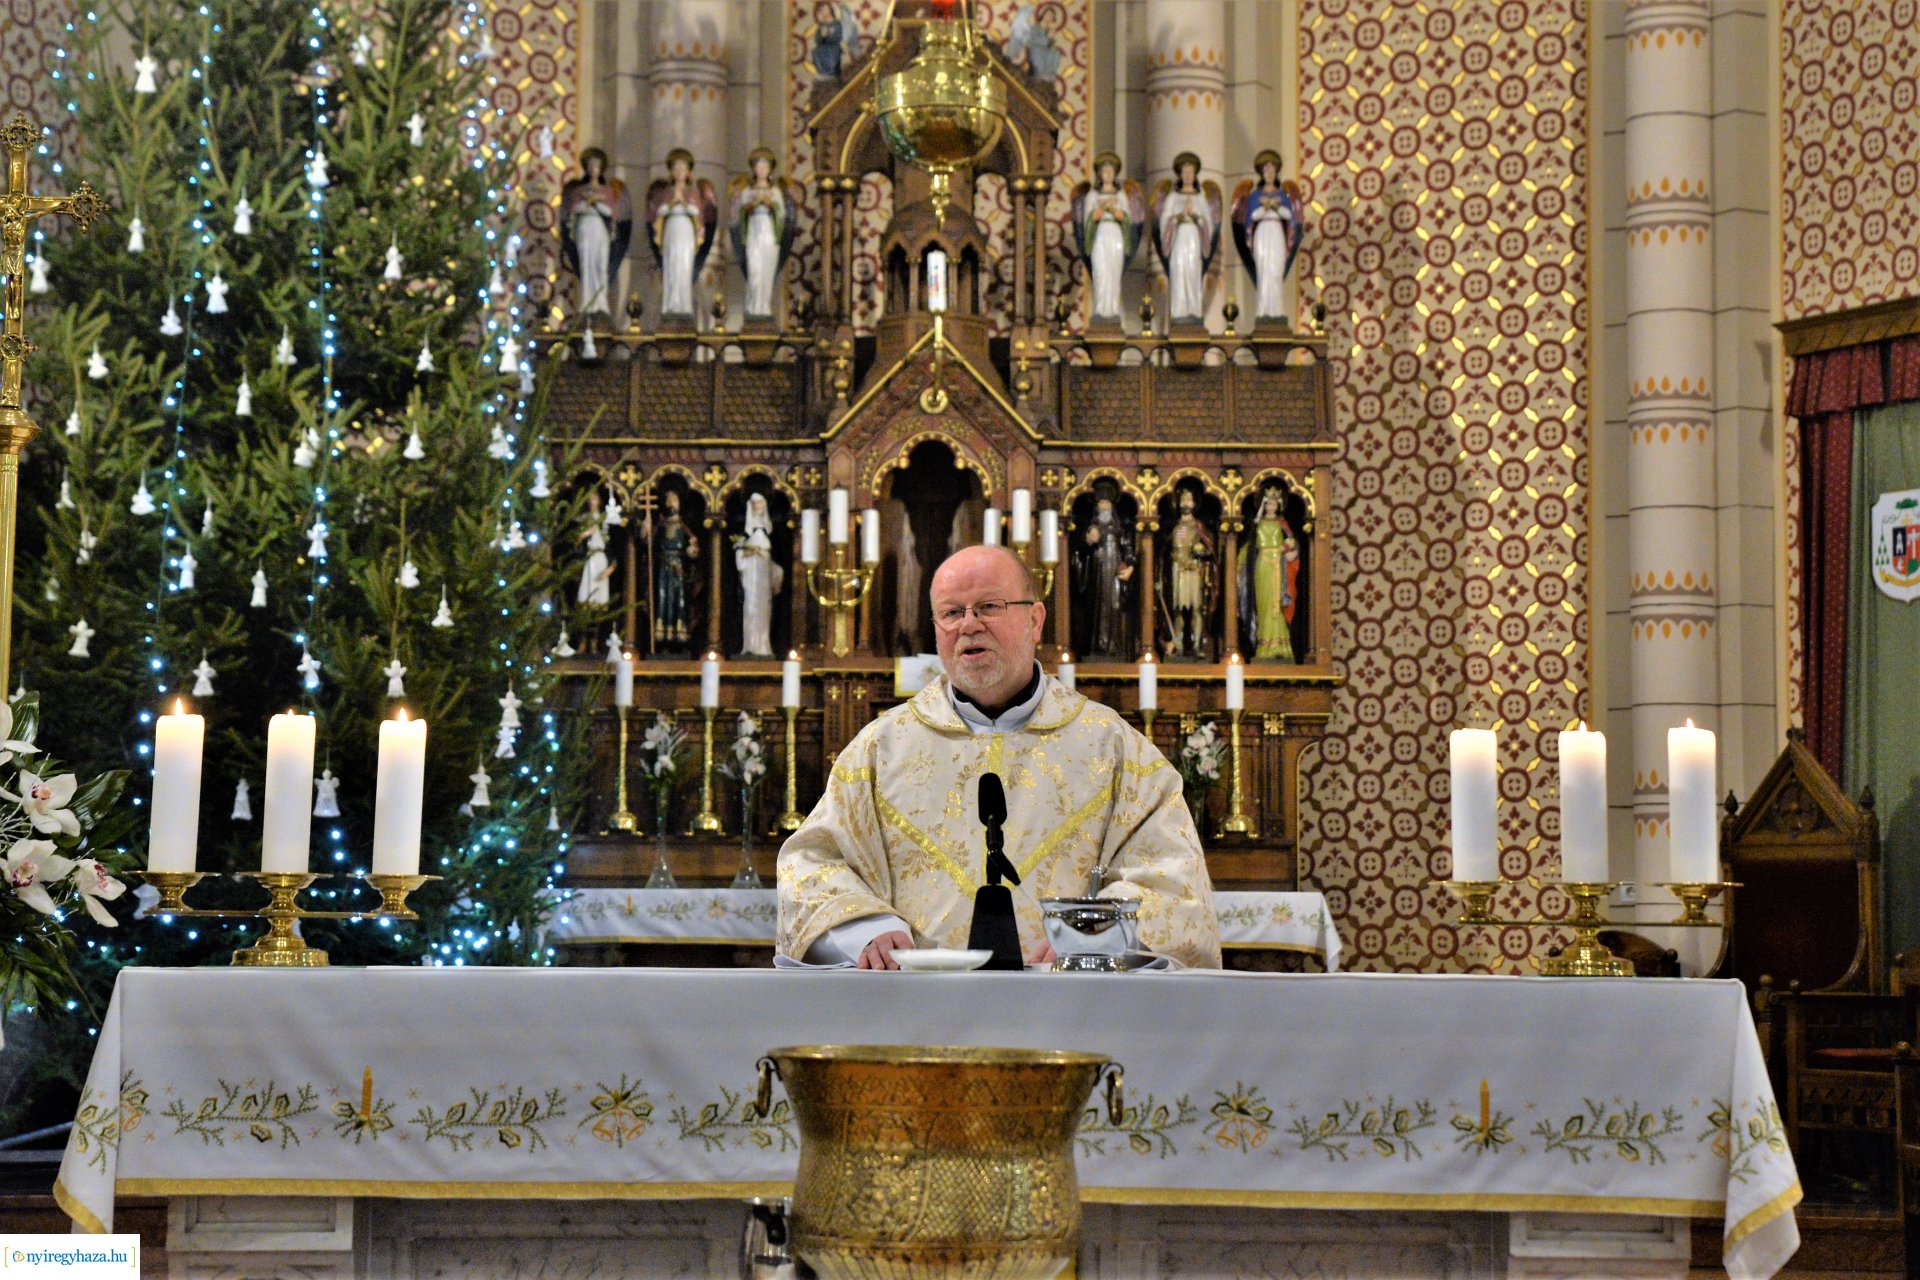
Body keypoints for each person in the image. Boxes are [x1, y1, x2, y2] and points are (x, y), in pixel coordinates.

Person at [777, 545, 1221, 970]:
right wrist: (866, 929)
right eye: (951, 613)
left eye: (989, 607)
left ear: (1035, 620)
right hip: (916, 1014)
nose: (968, 625)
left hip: (1067, 1012)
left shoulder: (1114, 749)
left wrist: (1094, 934)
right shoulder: (881, 749)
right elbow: (813, 862)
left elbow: (1173, 880)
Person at [1230, 149, 1305, 324]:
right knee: (1264, 271)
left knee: (1276, 271)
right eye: (1266, 170)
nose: (1270, 173)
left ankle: (1276, 310)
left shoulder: (1282, 195)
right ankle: (1263, 310)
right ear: (1262, 174)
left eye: (1272, 170)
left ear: (1276, 173)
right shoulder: (1255, 196)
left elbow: (1289, 216)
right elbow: (1252, 217)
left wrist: (1275, 206)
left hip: (1277, 234)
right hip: (1262, 235)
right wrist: (1266, 207)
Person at [559, 148, 633, 322]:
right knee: (586, 264)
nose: (594, 168)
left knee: (601, 265)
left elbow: (611, 214)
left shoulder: (608, 192)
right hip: (585, 229)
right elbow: (573, 212)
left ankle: (601, 304)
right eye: (591, 165)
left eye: (597, 165)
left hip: (600, 231)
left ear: (601, 168)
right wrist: (587, 205)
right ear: (586, 167)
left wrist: (595, 204)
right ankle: (587, 304)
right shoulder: (578, 191)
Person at [1071, 152, 1144, 323]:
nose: (1107, 175)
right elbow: (1089, 219)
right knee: (1100, 272)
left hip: (1115, 236)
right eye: (1104, 172)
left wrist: (1112, 210)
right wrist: (1103, 209)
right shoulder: (1092, 196)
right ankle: (1100, 310)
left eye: (1110, 172)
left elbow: (1125, 218)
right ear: (1099, 174)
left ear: (1115, 174)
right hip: (1099, 236)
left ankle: (1112, 310)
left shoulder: (1121, 196)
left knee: (1113, 272)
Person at [646, 149, 717, 321]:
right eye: (676, 168)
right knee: (671, 265)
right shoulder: (665, 192)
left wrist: (683, 203)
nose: (679, 172)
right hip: (671, 231)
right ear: (671, 171)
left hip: (686, 232)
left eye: (683, 168)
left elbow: (697, 212)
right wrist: (671, 205)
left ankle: (683, 305)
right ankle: (670, 304)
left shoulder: (693, 192)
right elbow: (658, 212)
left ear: (689, 172)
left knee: (684, 266)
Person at [729, 149, 797, 322]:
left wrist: (771, 204)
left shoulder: (775, 191)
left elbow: (782, 214)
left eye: (765, 165)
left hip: (769, 233)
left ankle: (764, 307)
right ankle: (753, 307)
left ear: (770, 169)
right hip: (753, 232)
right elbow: (739, 213)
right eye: (759, 165)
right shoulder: (747, 191)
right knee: (754, 269)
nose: (762, 169)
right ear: (753, 168)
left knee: (767, 270)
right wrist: (752, 205)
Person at [1152, 152, 1219, 324]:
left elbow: (1208, 222)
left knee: (1193, 270)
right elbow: (1165, 220)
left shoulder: (1200, 197)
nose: (1188, 176)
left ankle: (1193, 309)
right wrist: (1179, 217)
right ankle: (1179, 310)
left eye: (1191, 172)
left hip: (1194, 238)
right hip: (1179, 238)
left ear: (1195, 175)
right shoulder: (1173, 198)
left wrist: (1197, 218)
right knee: (1179, 269)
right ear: (1180, 175)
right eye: (1185, 172)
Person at [1072, 489, 1135, 658]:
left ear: (1112, 506)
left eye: (1107, 502)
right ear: (1097, 507)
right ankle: (1096, 646)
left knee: (1115, 605)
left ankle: (1114, 646)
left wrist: (1130, 566)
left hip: (1115, 570)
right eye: (1101, 503)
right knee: (1096, 607)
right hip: (1096, 573)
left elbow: (1128, 548)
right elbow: (1079, 552)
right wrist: (1088, 541)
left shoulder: (1119, 528)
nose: (1104, 505)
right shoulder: (1092, 528)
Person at [734, 492, 785, 658]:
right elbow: (739, 557)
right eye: (754, 503)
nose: (757, 507)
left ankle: (763, 646)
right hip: (751, 578)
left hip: (764, 579)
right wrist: (747, 553)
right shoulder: (746, 533)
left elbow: (774, 560)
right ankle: (749, 645)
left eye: (760, 503)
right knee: (750, 609)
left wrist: (778, 575)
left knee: (764, 611)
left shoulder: (771, 532)